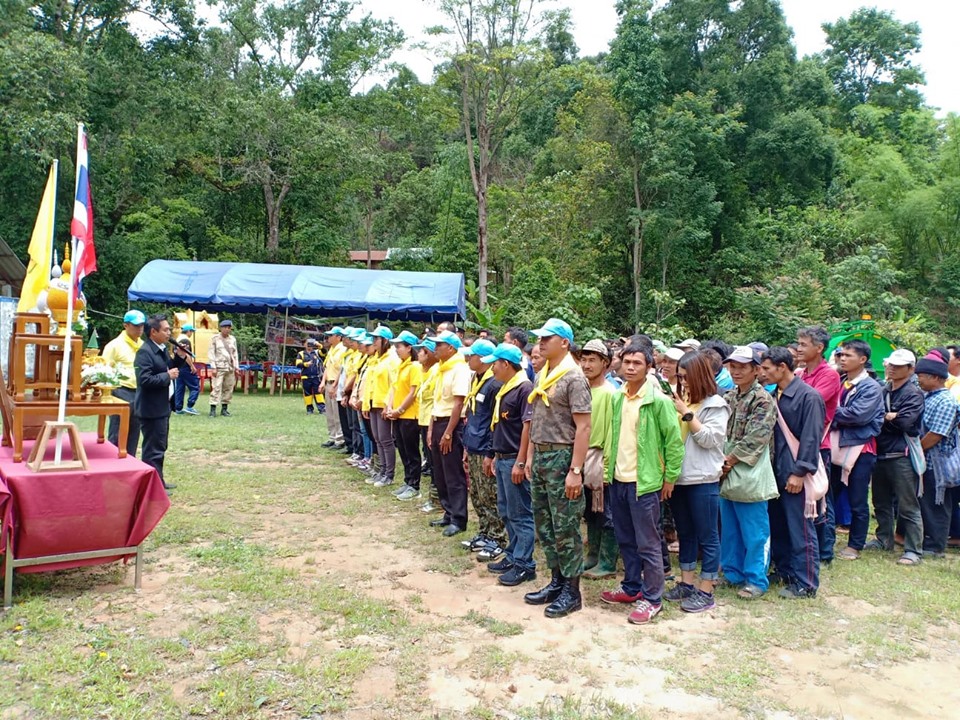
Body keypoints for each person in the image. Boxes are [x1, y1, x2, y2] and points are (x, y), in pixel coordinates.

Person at [600, 343, 684, 625]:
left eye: (637, 363)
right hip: (618, 480)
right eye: (627, 362)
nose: (630, 367)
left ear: (649, 367)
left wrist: (670, 477)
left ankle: (653, 598)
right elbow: (613, 436)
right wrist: (607, 471)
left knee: (648, 543)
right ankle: (631, 586)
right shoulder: (617, 397)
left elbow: (674, 442)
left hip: (645, 483)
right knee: (625, 538)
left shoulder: (658, 401)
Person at [520, 318, 592, 619]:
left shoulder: (574, 378)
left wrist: (575, 470)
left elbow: (583, 427)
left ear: (564, 342)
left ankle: (572, 591)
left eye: (547, 338)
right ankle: (557, 581)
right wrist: (531, 456)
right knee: (545, 524)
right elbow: (537, 420)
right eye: (540, 339)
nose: (541, 344)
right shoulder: (543, 374)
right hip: (542, 456)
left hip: (563, 458)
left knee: (566, 526)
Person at [664, 351, 730, 614]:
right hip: (678, 478)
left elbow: (710, 440)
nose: (683, 382)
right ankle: (686, 583)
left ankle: (706, 590)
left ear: (700, 376)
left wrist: (687, 415)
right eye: (680, 377)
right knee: (686, 533)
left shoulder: (716, 405)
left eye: (687, 377)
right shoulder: (682, 401)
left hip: (702, 479)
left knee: (708, 535)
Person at [761, 347, 825, 599]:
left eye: (767, 368)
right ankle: (785, 570)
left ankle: (806, 582)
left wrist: (799, 472)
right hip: (774, 472)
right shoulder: (774, 394)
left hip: (794, 473)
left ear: (782, 367)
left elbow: (811, 438)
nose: (763, 373)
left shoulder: (809, 397)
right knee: (778, 525)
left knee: (801, 530)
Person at [720, 346, 779, 599]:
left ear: (756, 370)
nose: (736, 371)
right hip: (726, 469)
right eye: (733, 366)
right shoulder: (729, 396)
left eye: (742, 367)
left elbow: (758, 437)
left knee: (755, 531)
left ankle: (756, 579)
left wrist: (730, 460)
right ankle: (732, 573)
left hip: (748, 470)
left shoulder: (763, 399)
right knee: (730, 528)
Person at [478, 343, 537, 586]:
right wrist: (493, 454)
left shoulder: (524, 388)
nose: (492, 368)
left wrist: (521, 462)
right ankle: (513, 555)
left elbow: (527, 427)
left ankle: (525, 564)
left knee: (520, 513)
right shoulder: (505, 388)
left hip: (514, 458)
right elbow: (499, 426)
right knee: (506, 510)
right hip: (502, 458)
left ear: (505, 364)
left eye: (495, 364)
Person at [866, 349, 925, 565]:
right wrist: (888, 417)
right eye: (891, 365)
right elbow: (872, 416)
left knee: (908, 505)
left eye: (898, 366)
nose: (892, 369)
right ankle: (884, 539)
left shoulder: (913, 393)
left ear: (911, 369)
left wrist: (889, 418)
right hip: (881, 452)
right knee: (880, 501)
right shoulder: (884, 389)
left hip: (901, 455)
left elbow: (905, 423)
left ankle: (914, 550)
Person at [830, 339, 884, 561]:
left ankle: (855, 544)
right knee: (829, 493)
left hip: (861, 449)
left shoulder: (871, 387)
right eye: (841, 355)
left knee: (857, 498)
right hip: (837, 445)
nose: (842, 359)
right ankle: (827, 539)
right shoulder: (842, 381)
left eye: (848, 355)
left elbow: (857, 415)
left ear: (862, 359)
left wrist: (830, 412)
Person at [795, 326, 842, 564]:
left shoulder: (829, 375)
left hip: (818, 444)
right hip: (798, 442)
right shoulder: (801, 373)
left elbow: (808, 402)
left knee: (821, 496)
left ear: (819, 348)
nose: (798, 349)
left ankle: (825, 549)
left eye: (803, 345)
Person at [461, 339, 507, 559]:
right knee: (477, 494)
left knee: (490, 494)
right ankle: (484, 532)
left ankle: (497, 538)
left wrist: (491, 452)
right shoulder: (476, 378)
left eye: (471, 356)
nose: (467, 359)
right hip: (473, 443)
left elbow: (493, 422)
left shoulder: (494, 384)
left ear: (482, 359)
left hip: (485, 446)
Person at [578, 339, 619, 581]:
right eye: (583, 359)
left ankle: (607, 561)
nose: (586, 365)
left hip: (600, 455)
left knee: (606, 511)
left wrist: (606, 465)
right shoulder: (581, 388)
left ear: (605, 363)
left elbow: (613, 431)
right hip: (582, 455)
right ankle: (593, 554)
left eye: (592, 360)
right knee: (590, 511)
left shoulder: (610, 393)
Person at [134, 314, 187, 491]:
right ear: (153, 332)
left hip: (162, 406)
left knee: (160, 446)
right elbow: (144, 380)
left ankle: (158, 481)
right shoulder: (145, 352)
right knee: (152, 449)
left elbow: (170, 367)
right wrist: (167, 376)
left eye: (169, 329)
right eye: (165, 330)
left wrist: (179, 357)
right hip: (151, 409)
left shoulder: (161, 349)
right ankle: (152, 487)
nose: (169, 333)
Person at [916, 353, 960, 558]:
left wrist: (916, 451)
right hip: (926, 460)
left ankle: (935, 546)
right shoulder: (928, 396)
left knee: (938, 503)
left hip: (938, 463)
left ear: (935, 377)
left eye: (921, 376)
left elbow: (936, 434)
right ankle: (927, 540)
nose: (918, 380)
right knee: (926, 501)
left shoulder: (945, 401)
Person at [429, 331, 472, 537]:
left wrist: (448, 433)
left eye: (439, 345)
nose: (435, 348)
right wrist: (431, 429)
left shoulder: (459, 369)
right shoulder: (441, 368)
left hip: (451, 424)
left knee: (453, 473)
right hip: (438, 421)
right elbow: (436, 401)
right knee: (439, 472)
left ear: (451, 348)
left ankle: (458, 518)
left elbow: (458, 403)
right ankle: (448, 511)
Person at [101, 309, 145, 456]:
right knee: (118, 429)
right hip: (121, 391)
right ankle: (112, 460)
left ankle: (130, 459)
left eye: (142, 325)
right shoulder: (114, 346)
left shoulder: (143, 345)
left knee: (135, 430)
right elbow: (104, 371)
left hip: (139, 391)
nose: (140, 329)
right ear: (126, 325)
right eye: (136, 325)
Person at [385, 331, 423, 501]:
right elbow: (394, 389)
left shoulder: (414, 366)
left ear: (409, 348)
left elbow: (413, 392)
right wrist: (390, 407)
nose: (396, 349)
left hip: (409, 415)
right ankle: (408, 481)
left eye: (399, 346)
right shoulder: (401, 366)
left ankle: (414, 485)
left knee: (411, 451)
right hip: (398, 415)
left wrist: (399, 409)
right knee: (403, 449)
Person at [366, 326, 399, 488]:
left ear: (385, 340)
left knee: (385, 439)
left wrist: (388, 404)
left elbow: (394, 384)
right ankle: (382, 471)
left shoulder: (392, 358)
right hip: (374, 402)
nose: (373, 342)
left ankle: (389, 474)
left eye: (376, 339)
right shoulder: (377, 358)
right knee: (378, 439)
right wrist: (367, 402)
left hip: (383, 404)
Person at [414, 339, 441, 513]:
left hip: (433, 420)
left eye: (422, 351)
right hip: (424, 419)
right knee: (431, 461)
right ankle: (434, 498)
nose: (418, 354)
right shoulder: (427, 370)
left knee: (435, 462)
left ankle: (438, 500)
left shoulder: (437, 370)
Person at [322, 327, 347, 447]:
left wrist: (335, 385)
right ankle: (332, 436)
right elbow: (327, 367)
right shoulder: (331, 349)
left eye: (331, 335)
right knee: (329, 412)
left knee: (337, 413)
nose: (328, 338)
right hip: (328, 382)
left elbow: (341, 370)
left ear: (338, 337)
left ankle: (340, 438)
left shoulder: (342, 349)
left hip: (335, 383)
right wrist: (323, 382)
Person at [208, 319, 239, 417]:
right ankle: (213, 409)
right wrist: (213, 367)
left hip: (230, 367)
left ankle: (224, 409)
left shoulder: (232, 339)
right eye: (225, 327)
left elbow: (235, 354)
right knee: (216, 388)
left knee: (228, 388)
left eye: (229, 328)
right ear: (221, 328)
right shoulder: (215, 338)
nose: (227, 329)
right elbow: (211, 353)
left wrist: (236, 367)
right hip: (219, 367)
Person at [173, 324, 200, 416]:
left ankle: (178, 408)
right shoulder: (185, 340)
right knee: (195, 386)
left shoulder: (177, 339)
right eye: (192, 331)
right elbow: (186, 354)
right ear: (188, 331)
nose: (192, 333)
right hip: (185, 366)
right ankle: (190, 406)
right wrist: (192, 366)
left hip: (178, 366)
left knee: (180, 388)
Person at [295, 339, 324, 414]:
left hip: (316, 376)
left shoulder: (316, 352)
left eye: (311, 343)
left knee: (318, 393)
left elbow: (324, 353)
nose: (309, 345)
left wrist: (320, 346)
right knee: (307, 393)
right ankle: (309, 409)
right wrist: (305, 364)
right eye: (307, 343)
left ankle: (322, 408)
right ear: (304, 344)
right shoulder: (301, 353)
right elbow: (298, 364)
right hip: (306, 377)